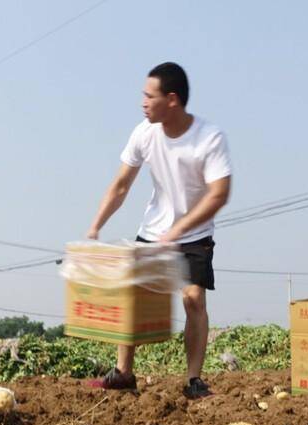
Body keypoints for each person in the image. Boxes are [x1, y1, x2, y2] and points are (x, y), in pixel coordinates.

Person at [86, 62, 232, 400]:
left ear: (172, 99)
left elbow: (219, 193)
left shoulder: (209, 139)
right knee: (133, 296)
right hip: (153, 232)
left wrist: (181, 228)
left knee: (193, 298)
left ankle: (194, 380)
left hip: (194, 234)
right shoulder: (144, 133)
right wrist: (95, 226)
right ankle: (123, 373)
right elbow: (121, 185)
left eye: (149, 96)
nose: (143, 103)